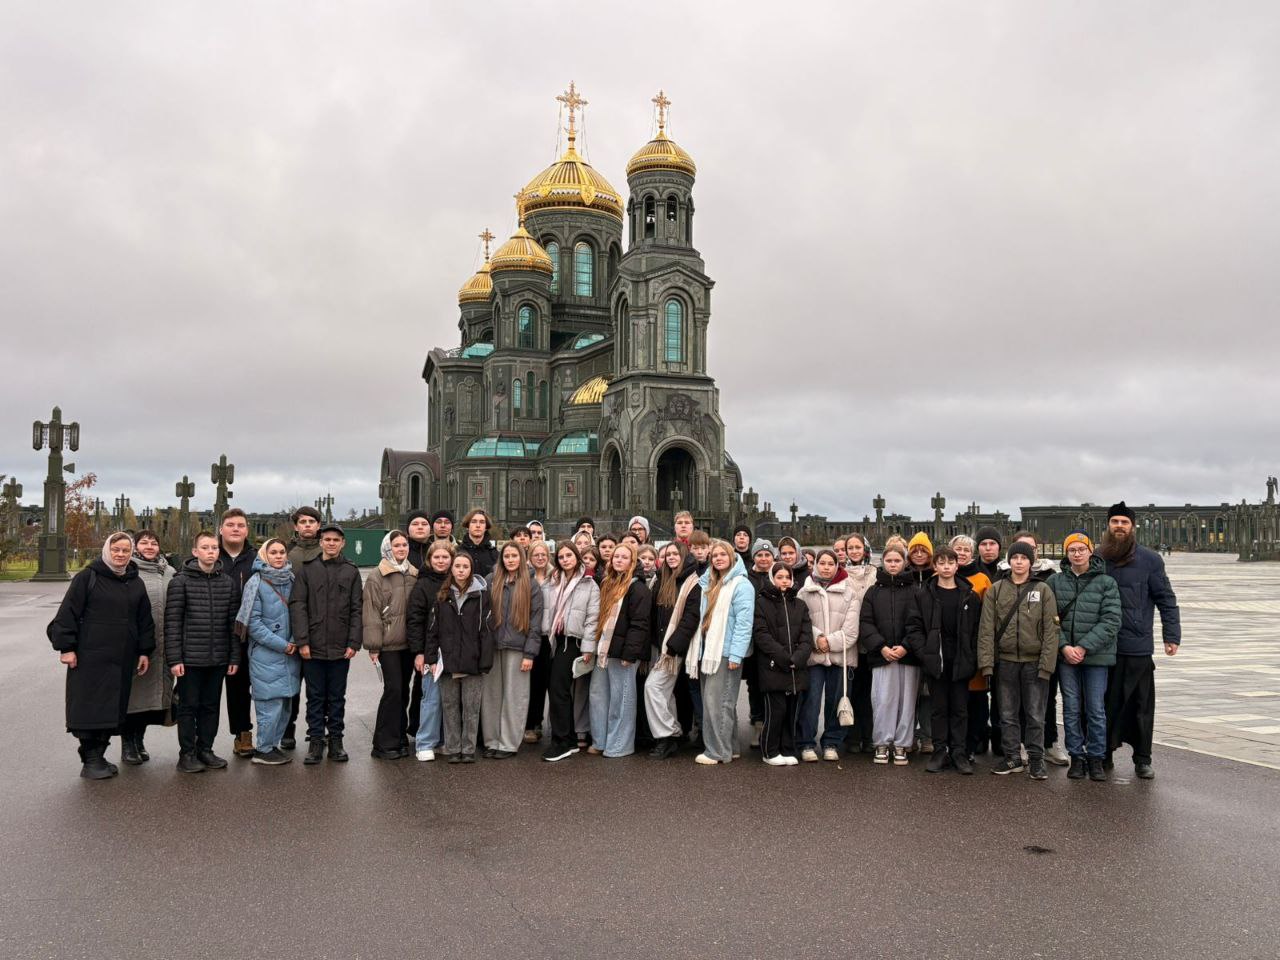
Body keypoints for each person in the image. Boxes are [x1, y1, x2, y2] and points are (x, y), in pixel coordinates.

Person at [47, 532, 155, 779]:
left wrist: (144, 651)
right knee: (89, 707)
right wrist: (66, 648)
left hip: (122, 658)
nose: (120, 554)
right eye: (116, 549)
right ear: (107, 550)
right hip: (89, 657)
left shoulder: (135, 582)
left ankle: (99, 756)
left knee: (112, 707)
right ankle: (91, 759)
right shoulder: (88, 577)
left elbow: (144, 620)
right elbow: (68, 613)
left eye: (125, 551)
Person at [1099, 501, 1181, 780]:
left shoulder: (1150, 560)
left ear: (1132, 527)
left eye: (1124, 522)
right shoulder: (1097, 558)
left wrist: (1171, 635)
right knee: (1105, 703)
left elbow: (1166, 599)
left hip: (1137, 645)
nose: (1119, 526)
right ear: (1108, 525)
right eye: (1115, 522)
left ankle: (1142, 758)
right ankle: (1104, 753)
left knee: (1141, 705)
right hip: (1104, 646)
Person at [978, 541, 1059, 780]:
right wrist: (987, 664)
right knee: (1007, 714)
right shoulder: (996, 590)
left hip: (1034, 662)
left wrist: (1046, 665)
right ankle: (1012, 756)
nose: (1019, 562)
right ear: (1009, 561)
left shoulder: (1043, 590)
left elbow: (1051, 631)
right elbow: (986, 629)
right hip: (1005, 661)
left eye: (1024, 558)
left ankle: (1036, 759)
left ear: (1030, 562)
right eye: (1015, 558)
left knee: (1035, 714)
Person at [1048, 532, 1120, 782]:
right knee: (1071, 707)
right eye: (1072, 550)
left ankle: (1096, 757)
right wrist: (1064, 647)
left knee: (1095, 708)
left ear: (1091, 551)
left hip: (1096, 656)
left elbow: (1111, 620)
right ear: (1066, 553)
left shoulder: (1106, 582)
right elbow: (1048, 619)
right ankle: (1076, 756)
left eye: (1081, 549)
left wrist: (1084, 647)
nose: (1077, 554)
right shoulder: (1055, 582)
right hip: (1066, 657)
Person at [166, 531, 240, 773]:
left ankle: (205, 749)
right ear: (195, 551)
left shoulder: (227, 583)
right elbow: (173, 623)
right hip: (189, 659)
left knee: (211, 706)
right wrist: (175, 658)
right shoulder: (180, 582)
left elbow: (233, 624)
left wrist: (233, 656)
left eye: (214, 548)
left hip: (218, 658)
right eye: (205, 547)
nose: (210, 552)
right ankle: (186, 754)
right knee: (188, 707)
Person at [290, 524, 363, 765]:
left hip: (341, 647)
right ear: (321, 542)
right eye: (327, 539)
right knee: (315, 696)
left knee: (336, 697)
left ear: (343, 543)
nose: (331, 543)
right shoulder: (307, 570)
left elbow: (357, 608)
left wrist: (354, 642)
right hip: (313, 646)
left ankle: (336, 741)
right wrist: (302, 641)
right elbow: (298, 606)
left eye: (336, 540)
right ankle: (315, 741)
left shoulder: (351, 571)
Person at [906, 546, 982, 774]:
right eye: (942, 563)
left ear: (957, 566)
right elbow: (914, 627)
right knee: (938, 709)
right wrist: (924, 653)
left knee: (960, 709)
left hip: (961, 660)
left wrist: (972, 656)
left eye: (951, 562)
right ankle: (940, 752)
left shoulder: (970, 596)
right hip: (935, 660)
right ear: (935, 566)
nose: (946, 567)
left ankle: (958, 753)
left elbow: (978, 630)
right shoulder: (924, 595)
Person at [687, 541, 754, 765]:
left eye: (723, 554)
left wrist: (736, 655)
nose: (718, 558)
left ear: (732, 557)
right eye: (714, 555)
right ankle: (730, 748)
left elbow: (744, 624)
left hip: (725, 653)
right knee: (722, 703)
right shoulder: (709, 582)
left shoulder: (741, 585)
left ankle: (717, 752)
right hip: (709, 651)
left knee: (718, 704)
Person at [237, 538, 301, 765]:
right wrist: (283, 645)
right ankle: (263, 749)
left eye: (282, 552)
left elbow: (300, 613)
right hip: (267, 654)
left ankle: (272, 746)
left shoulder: (291, 579)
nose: (278, 556)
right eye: (273, 552)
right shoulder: (256, 582)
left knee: (285, 705)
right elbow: (253, 624)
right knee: (269, 704)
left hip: (290, 653)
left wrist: (294, 640)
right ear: (264, 555)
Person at [425, 552, 494, 764]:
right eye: (457, 566)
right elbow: (433, 630)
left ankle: (469, 748)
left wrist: (485, 661)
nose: (461, 570)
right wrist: (431, 659)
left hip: (473, 661)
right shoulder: (442, 595)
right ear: (452, 569)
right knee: (450, 707)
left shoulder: (481, 595)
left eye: (465, 566)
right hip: (448, 660)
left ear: (471, 569)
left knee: (471, 708)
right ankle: (453, 748)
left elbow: (487, 631)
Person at [585, 543, 650, 758]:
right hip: (604, 649)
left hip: (623, 653)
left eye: (624, 557)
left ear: (632, 562)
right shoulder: (607, 583)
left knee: (621, 700)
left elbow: (639, 623)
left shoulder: (638, 588)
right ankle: (600, 741)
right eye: (616, 557)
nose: (619, 560)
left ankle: (619, 744)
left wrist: (629, 654)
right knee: (598, 696)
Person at [796, 549, 861, 762]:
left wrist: (828, 643)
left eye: (830, 563)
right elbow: (801, 623)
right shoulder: (804, 592)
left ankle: (831, 742)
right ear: (816, 565)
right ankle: (806, 743)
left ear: (836, 566)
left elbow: (851, 630)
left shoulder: (849, 592)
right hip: (813, 657)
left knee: (836, 700)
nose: (826, 567)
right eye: (822, 563)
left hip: (840, 657)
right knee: (810, 701)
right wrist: (817, 639)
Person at [858, 543, 920, 766]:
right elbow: (866, 623)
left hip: (908, 656)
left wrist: (905, 646)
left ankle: (902, 743)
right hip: (881, 656)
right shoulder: (873, 592)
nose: (893, 564)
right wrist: (881, 647)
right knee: (883, 700)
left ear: (904, 562)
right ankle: (882, 743)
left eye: (897, 560)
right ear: (882, 562)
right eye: (889, 560)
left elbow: (919, 622)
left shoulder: (915, 590)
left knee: (906, 701)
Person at [540, 542, 600, 761]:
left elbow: (592, 619)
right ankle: (569, 739)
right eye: (561, 557)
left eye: (569, 555)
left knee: (559, 689)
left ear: (577, 557)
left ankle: (562, 742)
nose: (565, 559)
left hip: (572, 641)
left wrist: (588, 648)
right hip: (552, 640)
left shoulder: (589, 583)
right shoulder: (552, 581)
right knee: (557, 690)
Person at [483, 542, 544, 758]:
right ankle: (492, 741)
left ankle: (508, 743)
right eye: (506, 556)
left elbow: (536, 622)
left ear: (521, 558)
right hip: (493, 647)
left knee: (514, 697)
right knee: (491, 697)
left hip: (518, 648)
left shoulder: (531, 584)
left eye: (514, 556)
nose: (510, 559)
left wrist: (530, 654)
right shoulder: (491, 580)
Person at [363, 531, 419, 760]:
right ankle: (383, 743)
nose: (401, 549)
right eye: (396, 545)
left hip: (409, 644)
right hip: (388, 645)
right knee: (393, 690)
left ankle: (399, 736)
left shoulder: (413, 573)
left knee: (403, 691)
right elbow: (371, 612)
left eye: (404, 545)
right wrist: (374, 646)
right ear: (388, 548)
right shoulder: (377, 576)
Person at [752, 562, 814, 766]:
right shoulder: (762, 603)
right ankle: (769, 751)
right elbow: (762, 635)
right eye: (779, 577)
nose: (784, 581)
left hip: (796, 668)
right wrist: (785, 658)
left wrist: (798, 657)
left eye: (787, 577)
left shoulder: (800, 605)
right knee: (776, 712)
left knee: (791, 711)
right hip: (773, 667)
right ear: (772, 579)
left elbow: (807, 636)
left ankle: (787, 749)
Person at [120, 530, 173, 765]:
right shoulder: (128, 571)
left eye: (154, 543)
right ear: (135, 546)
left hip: (162, 644)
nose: (149, 546)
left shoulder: (169, 572)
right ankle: (127, 743)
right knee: (132, 696)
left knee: (150, 698)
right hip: (136, 645)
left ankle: (139, 740)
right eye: (144, 542)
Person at [645, 542, 700, 759]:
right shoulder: (661, 579)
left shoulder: (692, 583)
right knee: (664, 693)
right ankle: (673, 734)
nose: (671, 557)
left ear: (684, 555)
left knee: (653, 687)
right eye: (668, 554)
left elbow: (691, 618)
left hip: (673, 649)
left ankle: (667, 734)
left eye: (676, 554)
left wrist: (673, 646)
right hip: (659, 646)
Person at [407, 539, 454, 761]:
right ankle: (425, 742)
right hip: (431, 650)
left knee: (450, 699)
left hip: (454, 650)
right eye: (437, 557)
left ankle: (443, 740)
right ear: (429, 559)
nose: (441, 561)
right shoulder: (422, 585)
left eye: (445, 557)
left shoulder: (457, 581)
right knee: (431, 699)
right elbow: (414, 620)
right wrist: (419, 652)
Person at [951, 534, 995, 762]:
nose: (961, 553)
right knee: (953, 701)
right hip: (951, 650)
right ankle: (952, 745)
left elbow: (989, 617)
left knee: (977, 700)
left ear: (972, 554)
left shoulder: (982, 579)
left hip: (974, 649)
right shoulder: (943, 575)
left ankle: (974, 741)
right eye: (958, 549)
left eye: (966, 550)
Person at [217, 508, 257, 759]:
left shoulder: (256, 558)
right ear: (221, 529)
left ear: (246, 530)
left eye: (240, 525)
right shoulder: (211, 554)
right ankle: (200, 740)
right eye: (230, 524)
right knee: (207, 691)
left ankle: (243, 734)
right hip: (213, 633)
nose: (235, 529)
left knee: (240, 688)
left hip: (246, 634)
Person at [282, 506, 323, 749]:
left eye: (311, 521)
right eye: (303, 522)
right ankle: (287, 729)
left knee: (318, 688)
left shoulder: (326, 551)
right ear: (296, 526)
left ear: (318, 525)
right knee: (291, 685)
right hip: (290, 627)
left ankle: (317, 730)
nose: (307, 525)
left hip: (320, 628)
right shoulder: (287, 553)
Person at [842, 534, 878, 753]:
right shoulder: (840, 574)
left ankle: (870, 735)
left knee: (870, 692)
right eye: (850, 548)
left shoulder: (876, 572)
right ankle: (852, 736)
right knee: (851, 691)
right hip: (849, 642)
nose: (854, 551)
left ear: (865, 549)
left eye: (858, 547)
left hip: (870, 641)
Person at [524, 541, 554, 745]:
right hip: (530, 635)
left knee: (550, 682)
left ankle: (551, 725)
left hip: (550, 636)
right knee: (533, 683)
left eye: (544, 554)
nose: (540, 558)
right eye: (536, 554)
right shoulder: (525, 577)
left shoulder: (556, 576)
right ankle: (532, 723)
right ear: (530, 557)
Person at [458, 508, 498, 579]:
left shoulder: (495, 554)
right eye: (474, 522)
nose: (478, 525)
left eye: (482, 522)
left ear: (486, 527)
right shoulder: (457, 551)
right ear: (467, 526)